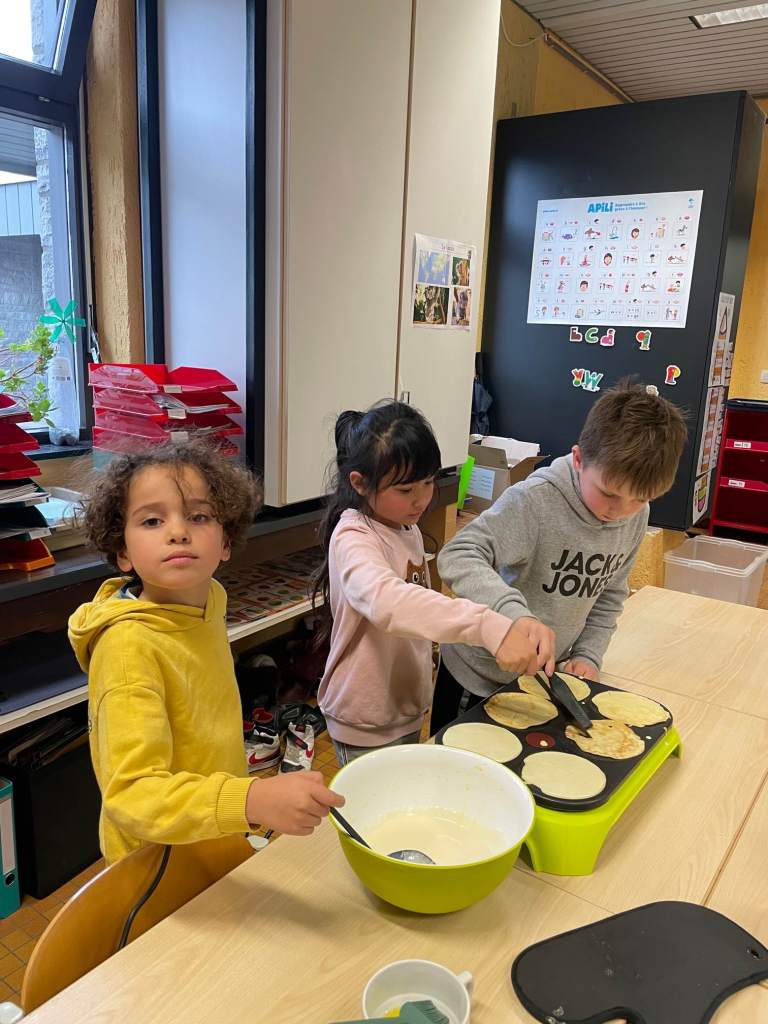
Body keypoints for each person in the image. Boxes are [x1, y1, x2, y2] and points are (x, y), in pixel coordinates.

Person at [69, 438, 343, 863]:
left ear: (226, 540)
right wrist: (250, 799)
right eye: (152, 521)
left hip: (211, 830)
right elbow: (132, 795)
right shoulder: (127, 649)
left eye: (198, 516)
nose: (178, 532)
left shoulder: (210, 596)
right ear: (122, 551)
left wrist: (239, 802)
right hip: (157, 861)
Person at [429, 381, 688, 734]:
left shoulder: (635, 515)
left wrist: (588, 655)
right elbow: (458, 554)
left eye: (639, 499)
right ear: (578, 459)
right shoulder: (535, 501)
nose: (620, 511)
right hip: (478, 675)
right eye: (609, 493)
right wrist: (513, 614)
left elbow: (609, 595)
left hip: (543, 679)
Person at [313, 401, 540, 765]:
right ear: (360, 483)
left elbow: (420, 613)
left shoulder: (406, 527)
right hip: (365, 715)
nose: (421, 499)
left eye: (428, 482)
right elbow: (389, 602)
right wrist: (486, 625)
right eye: (405, 490)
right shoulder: (353, 536)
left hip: (404, 705)